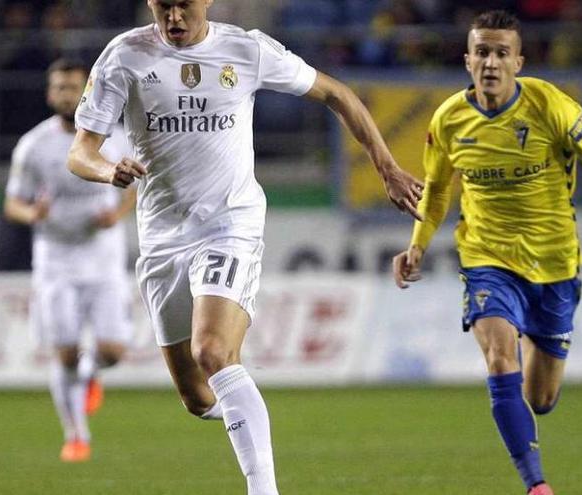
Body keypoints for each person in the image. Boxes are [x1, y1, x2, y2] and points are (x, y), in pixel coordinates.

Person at [67, 1, 423, 494]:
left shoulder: (246, 49)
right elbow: (81, 150)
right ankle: (242, 406)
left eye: (183, 5)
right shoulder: (123, 56)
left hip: (229, 224)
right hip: (162, 238)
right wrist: (110, 170)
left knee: (212, 351)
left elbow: (337, 93)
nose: (173, 16)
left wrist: (386, 167)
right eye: (162, 5)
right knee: (196, 396)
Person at [391, 10, 582, 495]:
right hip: (486, 261)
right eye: (482, 52)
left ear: (518, 61)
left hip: (556, 266)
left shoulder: (549, 106)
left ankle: (526, 403)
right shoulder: (449, 119)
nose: (491, 62)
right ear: (467, 60)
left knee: (540, 398)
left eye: (501, 53)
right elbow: (437, 191)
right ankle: (536, 486)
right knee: (499, 357)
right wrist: (416, 245)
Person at [4, 58, 136, 463]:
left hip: (103, 256)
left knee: (113, 350)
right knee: (63, 351)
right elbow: (13, 203)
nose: (65, 94)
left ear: (88, 92)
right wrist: (33, 215)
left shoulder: (115, 140)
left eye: (72, 87)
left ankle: (91, 372)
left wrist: (117, 214)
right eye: (58, 87)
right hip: (56, 259)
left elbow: (138, 186)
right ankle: (76, 433)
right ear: (49, 94)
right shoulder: (33, 146)